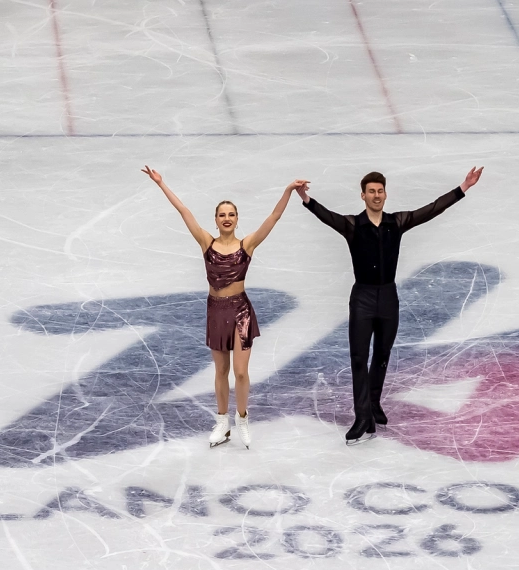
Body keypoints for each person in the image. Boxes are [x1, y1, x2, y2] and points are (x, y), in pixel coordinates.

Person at [295, 167, 483, 444]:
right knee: (359, 358)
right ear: (363, 195)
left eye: (380, 191)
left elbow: (431, 210)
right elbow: (328, 217)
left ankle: (372, 404)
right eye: (371, 191)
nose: (376, 195)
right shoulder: (352, 225)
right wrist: (305, 198)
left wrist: (463, 187)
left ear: (385, 194)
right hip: (362, 298)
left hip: (388, 298)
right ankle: (362, 417)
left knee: (381, 356)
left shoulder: (397, 222)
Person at [143, 166, 308, 449]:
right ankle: (222, 422)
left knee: (240, 372)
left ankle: (242, 418)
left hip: (240, 311)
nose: (227, 218)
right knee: (220, 371)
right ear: (216, 220)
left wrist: (287, 192)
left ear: (237, 218)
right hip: (216, 311)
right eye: (222, 214)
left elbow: (274, 217)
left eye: (231, 214)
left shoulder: (248, 245)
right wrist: (161, 183)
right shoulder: (206, 242)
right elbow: (184, 211)